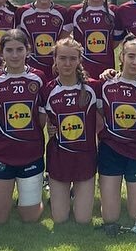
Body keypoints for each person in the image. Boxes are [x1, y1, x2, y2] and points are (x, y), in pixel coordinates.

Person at [0, 29, 47, 224]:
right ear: (1, 53)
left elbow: (40, 120)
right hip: (1, 154)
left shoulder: (39, 78)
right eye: (9, 50)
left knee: (30, 217)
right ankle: (0, 202)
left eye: (20, 49)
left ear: (28, 50)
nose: (15, 55)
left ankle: (29, 200)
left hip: (30, 154)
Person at [97, 37, 136, 234]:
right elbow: (94, 115)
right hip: (110, 150)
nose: (135, 62)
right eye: (130, 56)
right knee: (110, 217)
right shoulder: (104, 84)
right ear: (121, 57)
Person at [41, 38, 100, 226]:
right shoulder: (47, 90)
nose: (67, 63)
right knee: (59, 219)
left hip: (85, 158)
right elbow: (39, 123)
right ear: (55, 60)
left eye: (72, 59)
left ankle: (76, 194)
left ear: (79, 60)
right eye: (62, 58)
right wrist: (50, 128)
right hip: (59, 158)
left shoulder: (93, 88)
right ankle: (58, 191)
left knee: (83, 220)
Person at [66, 0, 118, 79]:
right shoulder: (74, 12)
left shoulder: (114, 12)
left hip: (107, 73)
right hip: (81, 73)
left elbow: (115, 42)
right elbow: (63, 39)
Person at [16, 0, 70, 74]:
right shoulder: (22, 12)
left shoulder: (62, 12)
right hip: (29, 70)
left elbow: (64, 41)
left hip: (55, 70)